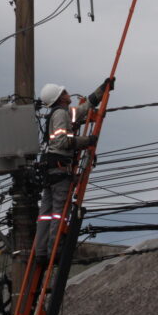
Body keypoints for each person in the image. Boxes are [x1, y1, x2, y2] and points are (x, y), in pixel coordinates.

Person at [34, 77, 114, 265]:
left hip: (50, 170)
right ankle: (54, 251)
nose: (67, 93)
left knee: (45, 214)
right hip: (59, 171)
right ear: (60, 98)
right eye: (64, 92)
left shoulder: (61, 113)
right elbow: (62, 142)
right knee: (58, 214)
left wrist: (102, 89)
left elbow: (84, 109)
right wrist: (87, 141)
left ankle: (41, 252)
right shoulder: (60, 115)